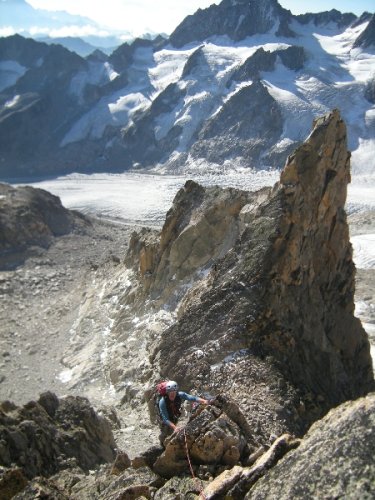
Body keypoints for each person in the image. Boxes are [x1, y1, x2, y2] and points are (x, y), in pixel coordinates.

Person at [158, 380, 211, 445]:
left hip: (174, 414)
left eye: (174, 392)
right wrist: (175, 427)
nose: (172, 394)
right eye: (170, 392)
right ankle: (162, 444)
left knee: (173, 428)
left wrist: (204, 401)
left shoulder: (180, 394)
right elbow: (165, 419)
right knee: (164, 431)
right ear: (167, 393)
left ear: (176, 391)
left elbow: (192, 398)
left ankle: (170, 440)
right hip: (165, 417)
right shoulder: (162, 402)